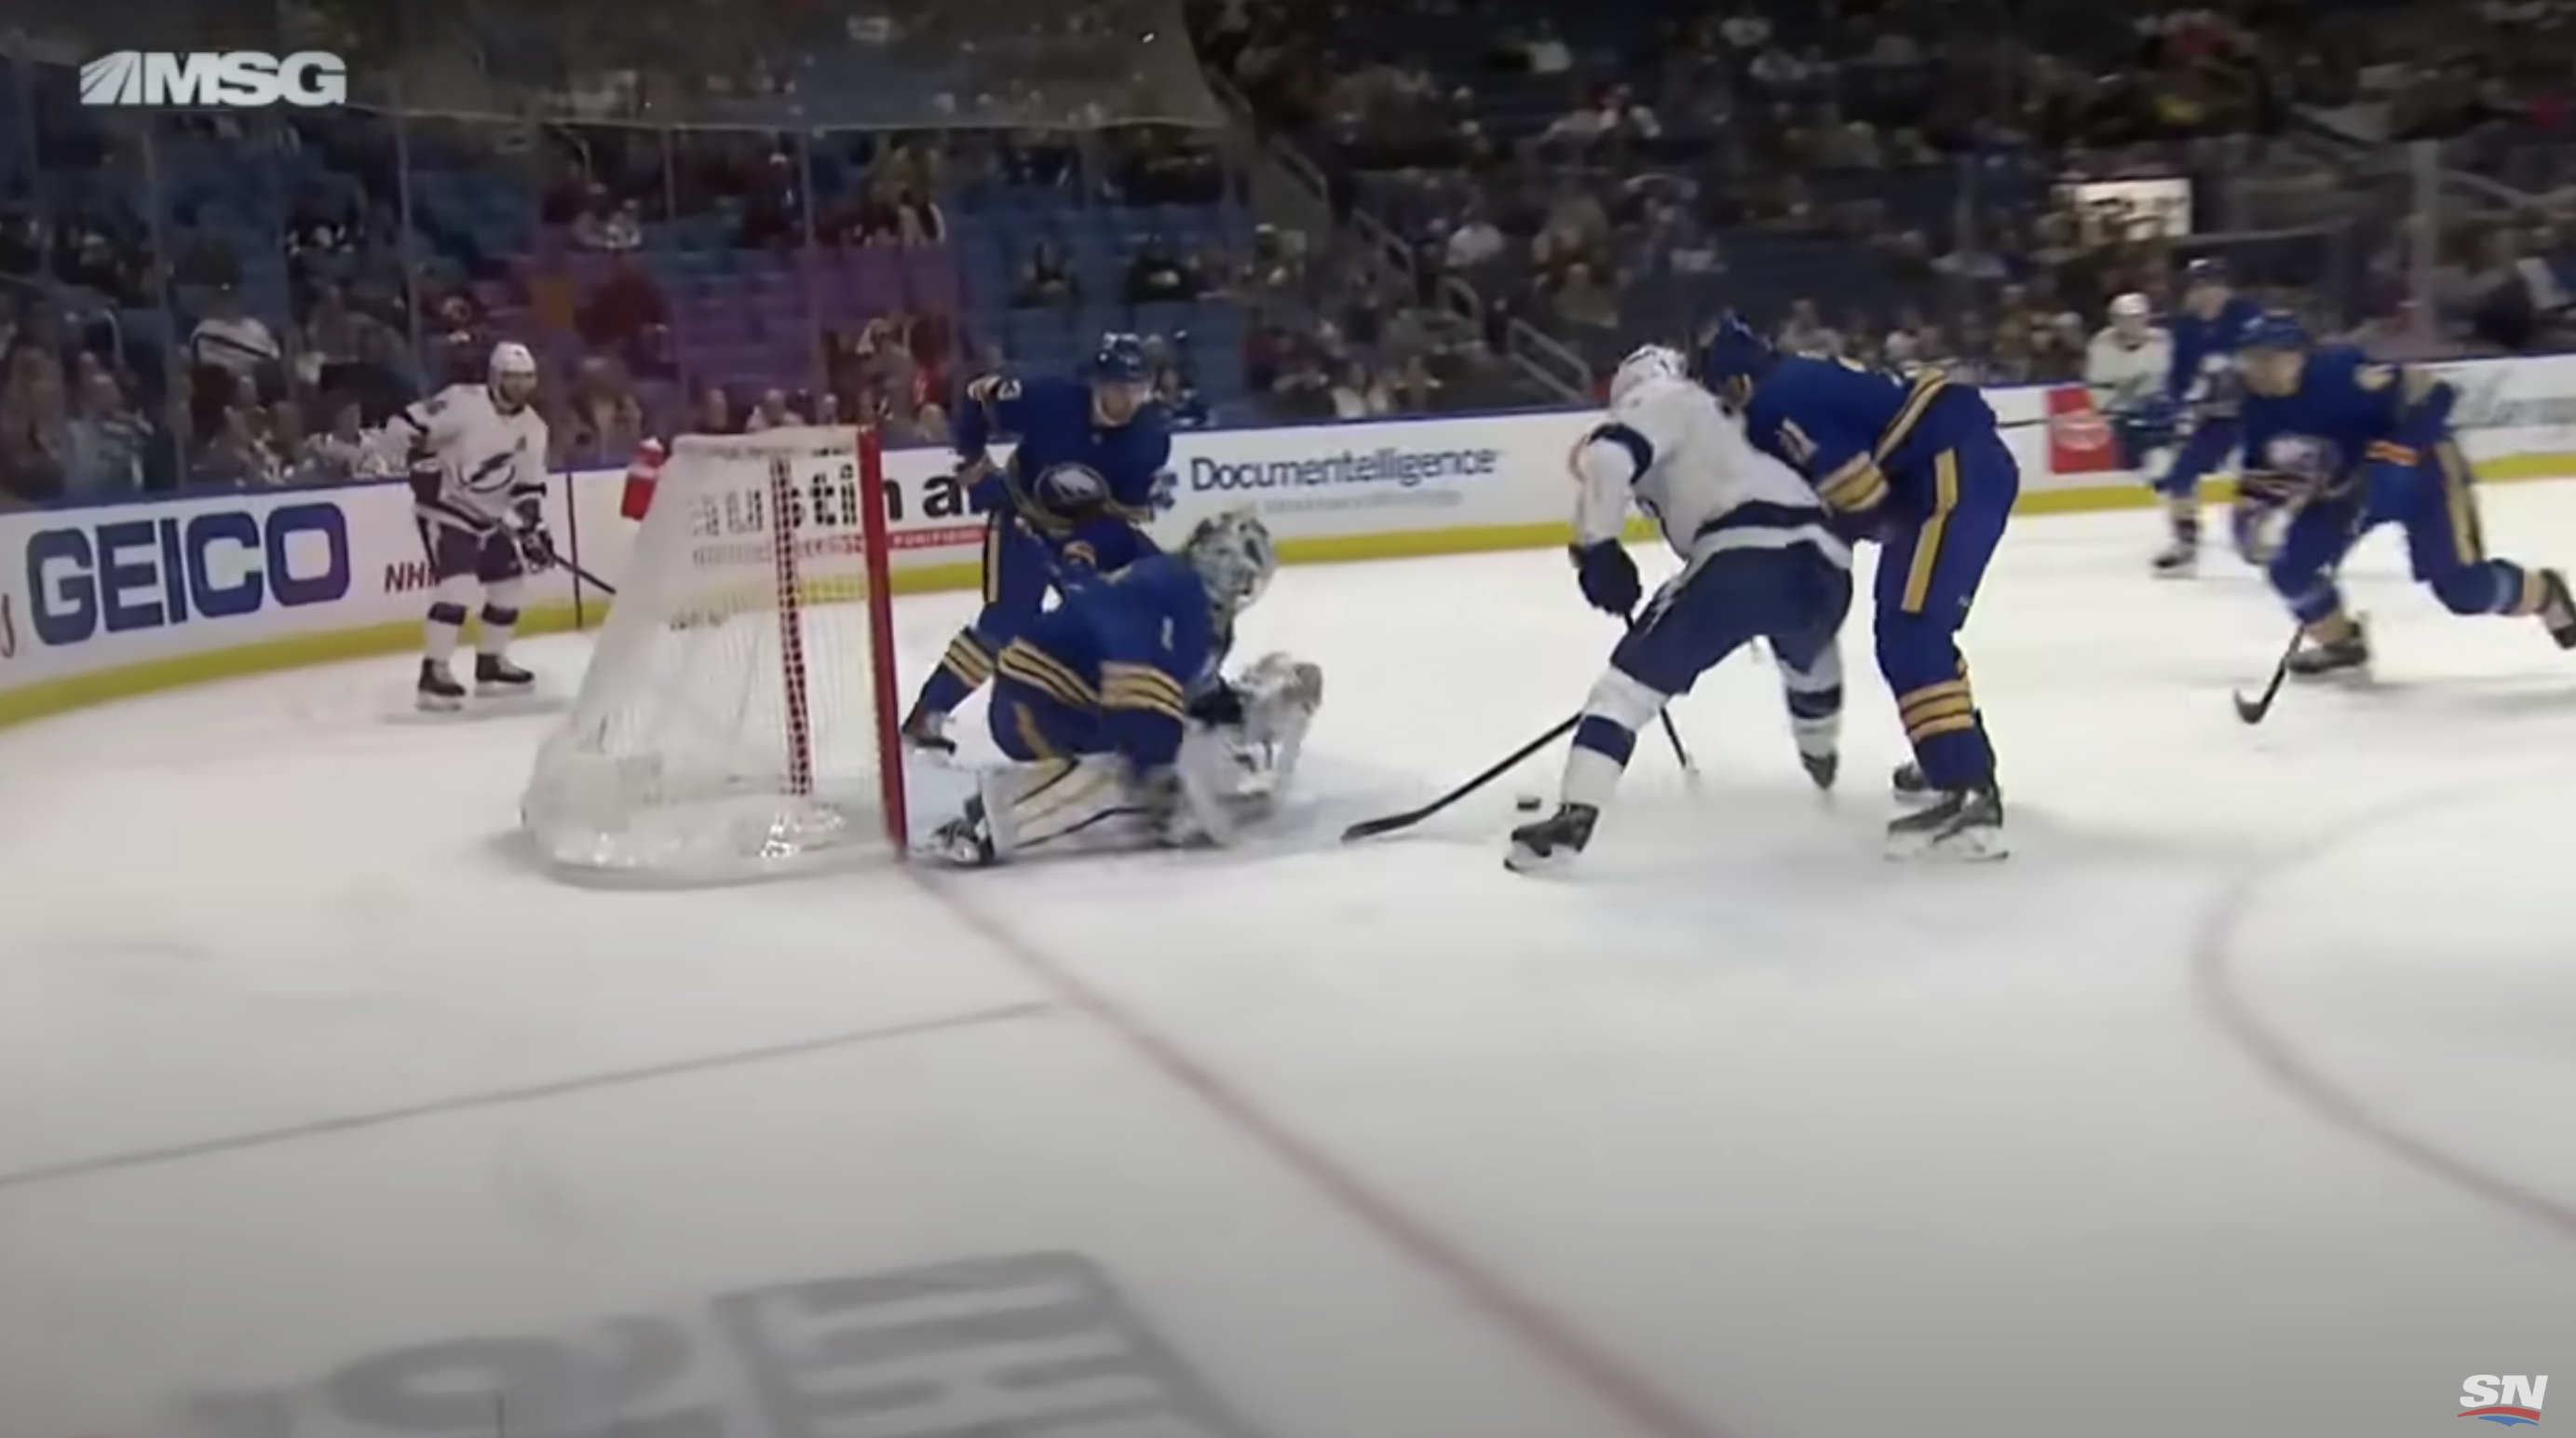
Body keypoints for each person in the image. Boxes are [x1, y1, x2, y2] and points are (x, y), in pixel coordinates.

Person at [1508, 345, 1851, 873]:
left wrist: (1598, 549)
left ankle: (1573, 820)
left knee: (1624, 692)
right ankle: (1821, 761)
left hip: (1741, 554)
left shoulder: (1658, 396)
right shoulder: (1726, 414)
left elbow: (1609, 455)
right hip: (1827, 563)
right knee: (1807, 652)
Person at [1701, 314, 2017, 859]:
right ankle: (1954, 753)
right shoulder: (1793, 375)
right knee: (1908, 627)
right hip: (1944, 468)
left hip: (1948, 473)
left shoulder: (1773, 406)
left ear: (1736, 382)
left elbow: (1862, 495)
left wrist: (1816, 544)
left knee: (1912, 629)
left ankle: (1965, 787)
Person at [925, 509, 1322, 866]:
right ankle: (988, 820)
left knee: (1157, 762)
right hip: (1034, 703)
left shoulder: (1203, 616)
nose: (1241, 586)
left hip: (1076, 702)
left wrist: (1230, 708)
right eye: (1240, 574)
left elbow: (1185, 693)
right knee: (1134, 778)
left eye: (1247, 579)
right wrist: (1158, 768)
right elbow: (1137, 686)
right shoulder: (1168, 584)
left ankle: (1030, 799)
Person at [2237, 311, 2576, 675]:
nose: (2259, 368)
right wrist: (2251, 515)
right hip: (2347, 491)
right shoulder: (2257, 406)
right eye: (2252, 358)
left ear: (2300, 356)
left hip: (2425, 477)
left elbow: (2435, 391)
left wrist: (2400, 447)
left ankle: (2546, 594)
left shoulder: (2341, 374)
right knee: (2291, 571)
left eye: (2269, 357)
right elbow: (2266, 465)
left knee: (2464, 591)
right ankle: (2342, 644)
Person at [901, 332, 1173, 753]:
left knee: (1135, 609)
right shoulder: (1048, 399)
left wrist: (1084, 550)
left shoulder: (1149, 440)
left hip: (1085, 528)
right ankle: (927, 715)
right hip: (1021, 516)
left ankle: (1169, 709)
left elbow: (1119, 515)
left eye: (1138, 388)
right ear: (1096, 382)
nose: (1127, 398)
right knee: (1005, 623)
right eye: (1118, 386)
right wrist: (974, 466)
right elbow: (976, 397)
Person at [386, 341, 553, 712]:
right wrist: (418, 457)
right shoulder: (463, 402)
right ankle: (434, 672)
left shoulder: (534, 428)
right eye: (513, 377)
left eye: (528, 378)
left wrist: (531, 526)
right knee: (457, 588)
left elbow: (527, 487)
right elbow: (402, 424)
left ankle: (491, 664)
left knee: (508, 588)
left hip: (492, 518)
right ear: (495, 377)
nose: (521, 385)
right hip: (447, 509)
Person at [2150, 257, 2264, 575]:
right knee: (2180, 478)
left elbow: (2271, 359)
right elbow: (2178, 378)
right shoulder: (2186, 329)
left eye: (2215, 286)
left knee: (2264, 477)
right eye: (2201, 287)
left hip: (2258, 415)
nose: (2208, 293)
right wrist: (2183, 401)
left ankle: (2267, 534)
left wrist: (2239, 372)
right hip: (2215, 420)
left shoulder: (2248, 317)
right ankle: (2185, 543)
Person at [2086, 292, 2176, 484]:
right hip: (2121, 414)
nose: (2132, 323)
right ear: (2114, 320)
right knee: (2128, 467)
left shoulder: (2163, 341)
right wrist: (2112, 409)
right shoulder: (2101, 346)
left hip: (2159, 414)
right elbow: (2098, 386)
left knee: (2162, 458)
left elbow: (2174, 377)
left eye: (2137, 317)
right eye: (2125, 318)